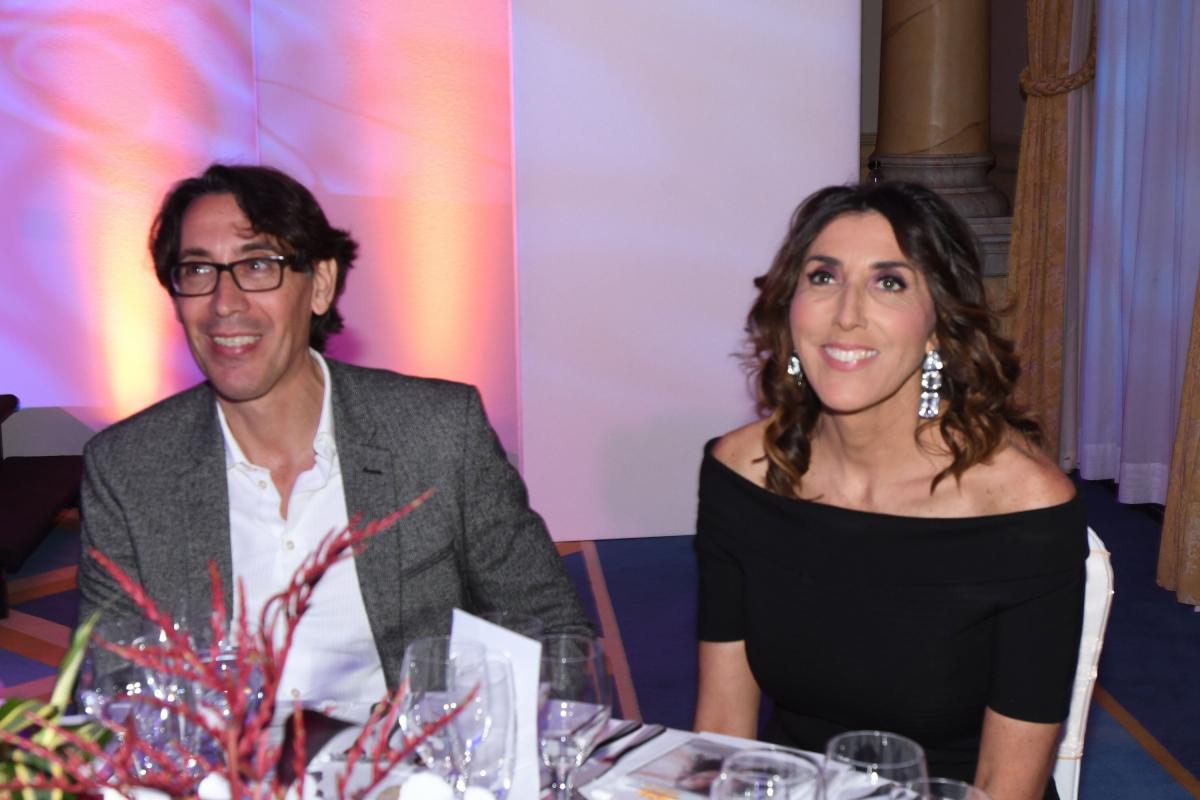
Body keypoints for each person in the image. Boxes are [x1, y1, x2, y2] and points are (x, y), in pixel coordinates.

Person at [78, 163, 590, 708]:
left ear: (320, 285)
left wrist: (450, 730)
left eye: (257, 265)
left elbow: (556, 638)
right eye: (198, 270)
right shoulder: (129, 468)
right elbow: (110, 687)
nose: (224, 302)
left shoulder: (438, 432)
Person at [692, 181, 1086, 800]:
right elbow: (723, 731)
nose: (847, 314)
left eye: (890, 282)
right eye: (824, 277)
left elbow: (1007, 785)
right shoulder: (741, 474)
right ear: (790, 308)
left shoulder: (1020, 509)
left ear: (938, 327)